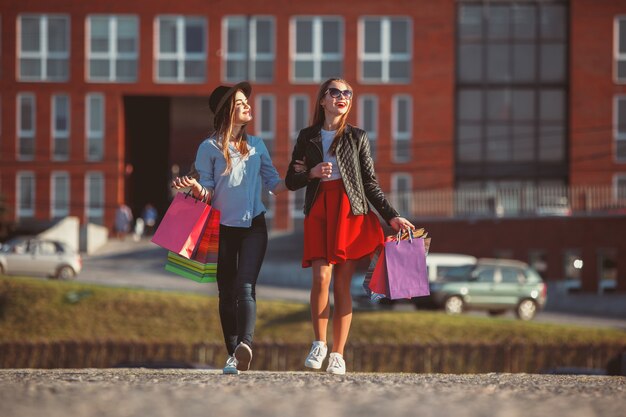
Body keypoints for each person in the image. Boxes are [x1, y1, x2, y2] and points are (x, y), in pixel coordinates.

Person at [285, 78, 415, 375]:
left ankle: (338, 354)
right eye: (335, 92)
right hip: (319, 209)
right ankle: (319, 343)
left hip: (350, 210)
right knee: (320, 279)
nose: (342, 97)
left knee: (342, 284)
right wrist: (313, 173)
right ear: (322, 100)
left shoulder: (357, 137)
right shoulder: (307, 136)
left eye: (348, 93)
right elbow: (292, 180)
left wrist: (391, 215)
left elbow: (369, 183)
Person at [171, 82, 302, 375]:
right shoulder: (209, 148)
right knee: (225, 292)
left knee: (245, 287)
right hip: (223, 229)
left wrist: (304, 174)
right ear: (227, 110)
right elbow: (207, 190)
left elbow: (275, 185)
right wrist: (194, 186)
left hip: (254, 226)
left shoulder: (257, 146)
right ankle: (233, 355)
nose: (247, 106)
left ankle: (245, 344)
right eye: (240, 102)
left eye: (247, 101)